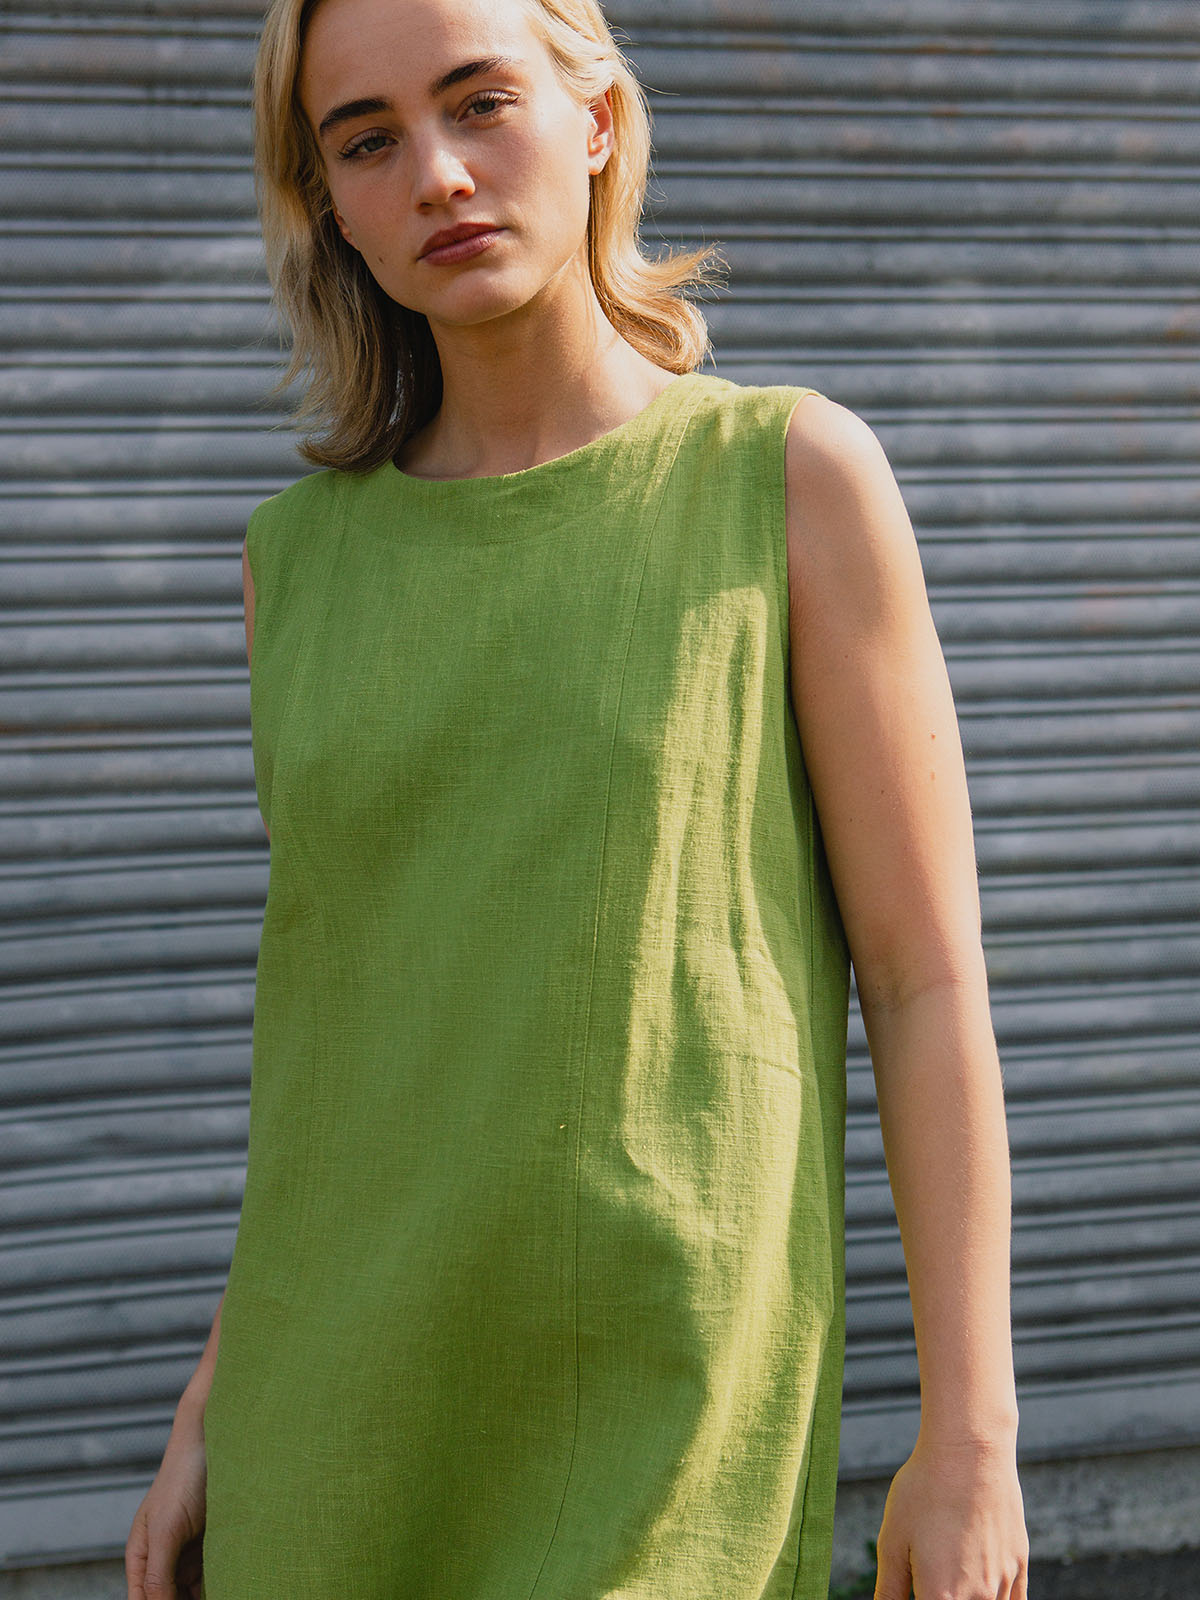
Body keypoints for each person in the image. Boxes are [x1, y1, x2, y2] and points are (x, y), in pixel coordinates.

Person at [125, 0, 1030, 1595]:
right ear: (332, 205)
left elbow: (925, 978)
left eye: (480, 102)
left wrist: (971, 1439)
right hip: (328, 1410)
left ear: (597, 117)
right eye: (368, 140)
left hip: (662, 1412)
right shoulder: (297, 567)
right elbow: (346, 1034)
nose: (436, 173)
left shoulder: (788, 478)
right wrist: (213, 1396)